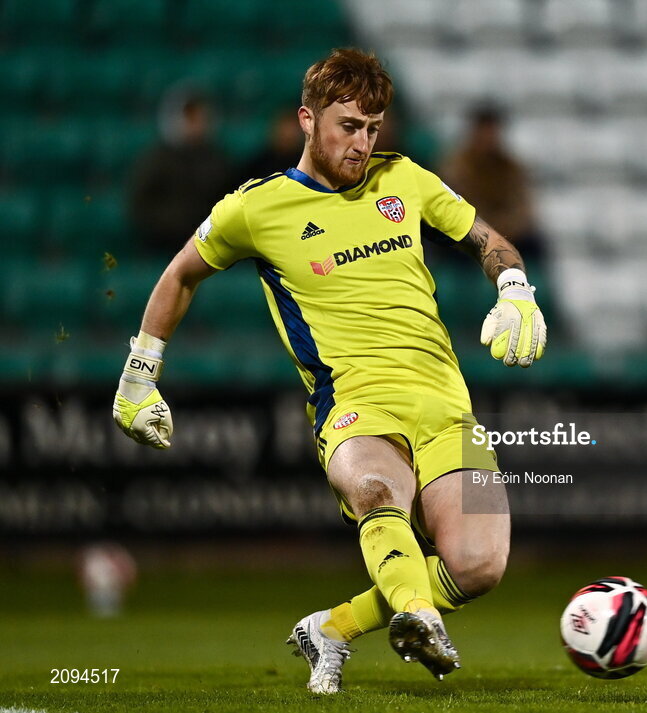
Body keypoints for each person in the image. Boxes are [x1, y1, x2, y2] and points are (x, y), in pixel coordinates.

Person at [111, 49, 547, 694]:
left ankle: (334, 628)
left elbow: (488, 238)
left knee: (480, 565)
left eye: (373, 128)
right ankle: (416, 612)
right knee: (375, 490)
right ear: (307, 121)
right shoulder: (256, 208)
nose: (363, 144)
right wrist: (139, 376)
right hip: (354, 408)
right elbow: (181, 273)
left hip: (447, 408)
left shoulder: (407, 178)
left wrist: (515, 286)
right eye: (348, 126)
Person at [128, 86, 233, 257]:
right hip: (162, 248)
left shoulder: (218, 161)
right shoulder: (156, 161)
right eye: (191, 117)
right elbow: (140, 206)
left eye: (201, 116)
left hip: (208, 249)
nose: (197, 123)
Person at [440, 104, 544, 261]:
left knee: (534, 243)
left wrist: (505, 228)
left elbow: (523, 209)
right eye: (484, 132)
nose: (488, 139)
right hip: (470, 233)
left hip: (507, 234)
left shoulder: (511, 168)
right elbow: (454, 209)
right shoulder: (456, 168)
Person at [239, 109, 305, 185]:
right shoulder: (260, 163)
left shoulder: (303, 164)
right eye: (283, 128)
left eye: (292, 129)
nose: (288, 134)